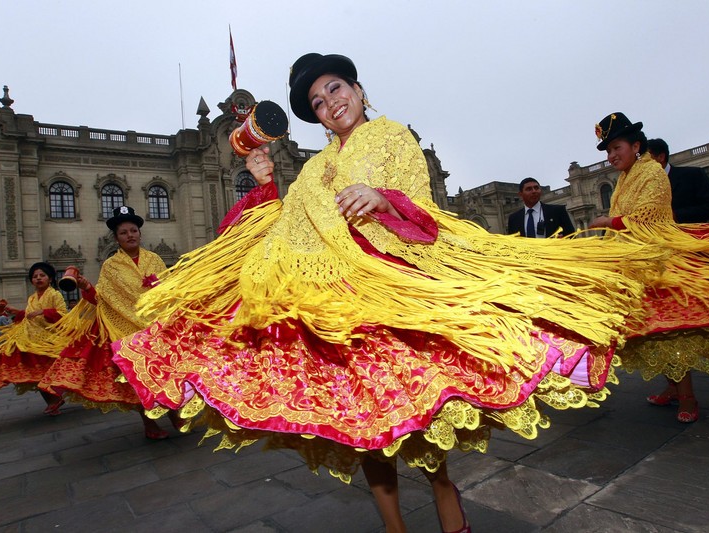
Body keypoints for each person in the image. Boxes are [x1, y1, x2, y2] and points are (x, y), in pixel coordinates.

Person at [113, 54, 656, 532]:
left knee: (416, 407)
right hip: (335, 301)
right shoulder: (317, 165)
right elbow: (280, 225)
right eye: (317, 101)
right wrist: (262, 182)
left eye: (334, 89)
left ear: (357, 89)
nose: (329, 103)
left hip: (393, 286)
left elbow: (422, 207)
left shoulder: (394, 136)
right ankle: (395, 526)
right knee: (364, 423)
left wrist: (382, 197)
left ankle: (446, 499)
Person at [588, 112, 709, 423]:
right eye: (608, 151)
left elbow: (648, 218)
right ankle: (673, 388)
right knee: (651, 332)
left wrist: (608, 222)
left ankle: (688, 396)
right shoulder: (625, 178)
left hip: (661, 265)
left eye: (616, 148)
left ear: (636, 145)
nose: (611, 156)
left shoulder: (652, 173)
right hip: (634, 265)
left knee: (672, 333)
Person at [37, 206, 183, 440]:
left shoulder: (154, 259)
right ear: (116, 238)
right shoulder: (110, 266)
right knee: (140, 382)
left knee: (170, 373)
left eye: (133, 230)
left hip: (157, 329)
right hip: (127, 332)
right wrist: (86, 287)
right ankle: (151, 423)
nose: (130, 235)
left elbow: (168, 291)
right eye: (123, 232)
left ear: (140, 234)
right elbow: (103, 300)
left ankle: (175, 412)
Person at [648, 138, 709, 375]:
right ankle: (678, 356)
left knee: (707, 302)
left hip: (693, 251)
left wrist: (675, 216)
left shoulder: (691, 175)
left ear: (660, 157)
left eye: (646, 159)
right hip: (664, 255)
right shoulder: (645, 187)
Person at [0, 262, 67, 414]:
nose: (38, 279)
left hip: (49, 340)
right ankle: (53, 401)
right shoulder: (32, 298)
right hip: (30, 339)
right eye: (35, 276)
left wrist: (43, 312)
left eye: (42, 276)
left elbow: (63, 315)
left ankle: (56, 398)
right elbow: (28, 317)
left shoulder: (54, 294)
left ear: (50, 279)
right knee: (34, 372)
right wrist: (17, 312)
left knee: (46, 371)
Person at [507, 177, 576, 237]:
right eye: (529, 189)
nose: (534, 191)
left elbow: (571, 235)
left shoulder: (558, 211)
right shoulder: (514, 219)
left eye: (536, 188)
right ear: (520, 194)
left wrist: (562, 240)